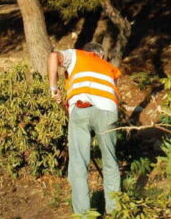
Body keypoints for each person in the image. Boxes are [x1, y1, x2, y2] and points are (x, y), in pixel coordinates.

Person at [48, 42, 122, 215]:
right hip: (108, 111)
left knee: (78, 163)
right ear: (101, 55)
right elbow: (115, 94)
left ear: (85, 51)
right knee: (110, 161)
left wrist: (53, 89)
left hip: (81, 110)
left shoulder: (76, 55)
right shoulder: (110, 68)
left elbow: (53, 56)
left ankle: (83, 215)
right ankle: (115, 212)